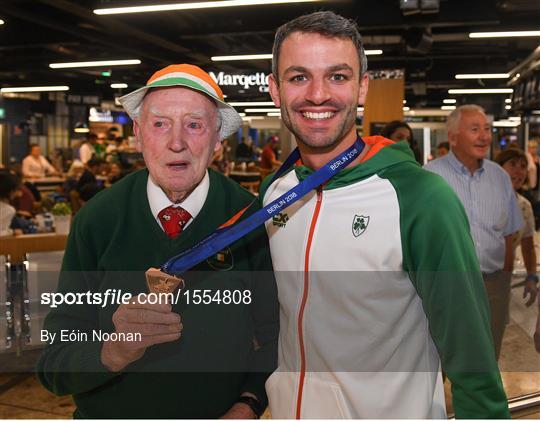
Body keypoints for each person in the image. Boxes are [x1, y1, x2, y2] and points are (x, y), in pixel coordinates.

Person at [262, 11, 508, 418]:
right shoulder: (274, 192)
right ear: (275, 90)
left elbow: (471, 356)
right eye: (298, 76)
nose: (318, 94)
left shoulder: (420, 198)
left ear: (362, 88)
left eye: (338, 76)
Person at [37, 64, 278, 418]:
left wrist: (249, 403)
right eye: (160, 123)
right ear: (138, 134)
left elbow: (279, 340)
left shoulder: (251, 220)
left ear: (216, 140)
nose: (176, 142)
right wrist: (112, 352)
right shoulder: (97, 220)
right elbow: (53, 365)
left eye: (194, 125)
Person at [425, 104, 524, 362]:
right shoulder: (430, 177)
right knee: (441, 359)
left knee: (487, 359)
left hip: (492, 286)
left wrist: (503, 280)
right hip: (446, 285)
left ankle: (476, 404)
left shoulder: (500, 177)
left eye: (487, 129)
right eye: (475, 129)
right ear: (453, 137)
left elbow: (509, 233)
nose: (484, 136)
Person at [494, 149, 538, 306]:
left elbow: (528, 248)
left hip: (503, 282)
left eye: (523, 166)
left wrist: (532, 276)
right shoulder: (482, 200)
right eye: (512, 164)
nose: (519, 171)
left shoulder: (524, 207)